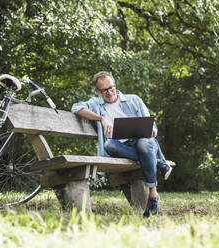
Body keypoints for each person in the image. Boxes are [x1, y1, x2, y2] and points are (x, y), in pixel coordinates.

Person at [71, 71, 172, 217]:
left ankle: (153, 194)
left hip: (144, 142)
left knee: (144, 145)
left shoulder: (133, 100)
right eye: (104, 90)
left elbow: (152, 128)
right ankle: (158, 162)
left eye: (111, 87)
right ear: (97, 91)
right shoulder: (96, 104)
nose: (110, 92)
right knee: (109, 145)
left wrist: (150, 132)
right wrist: (101, 119)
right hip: (122, 148)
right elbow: (76, 107)